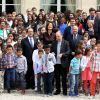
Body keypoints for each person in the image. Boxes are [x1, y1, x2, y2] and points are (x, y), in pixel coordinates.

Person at [51, 31, 70, 95]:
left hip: (63, 63)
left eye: (58, 36)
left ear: (62, 36)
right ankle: (58, 90)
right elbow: (52, 51)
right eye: (56, 36)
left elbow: (68, 51)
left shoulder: (66, 42)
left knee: (64, 78)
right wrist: (52, 53)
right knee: (57, 77)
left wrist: (62, 54)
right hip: (56, 63)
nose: (57, 37)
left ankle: (65, 91)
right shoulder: (54, 43)